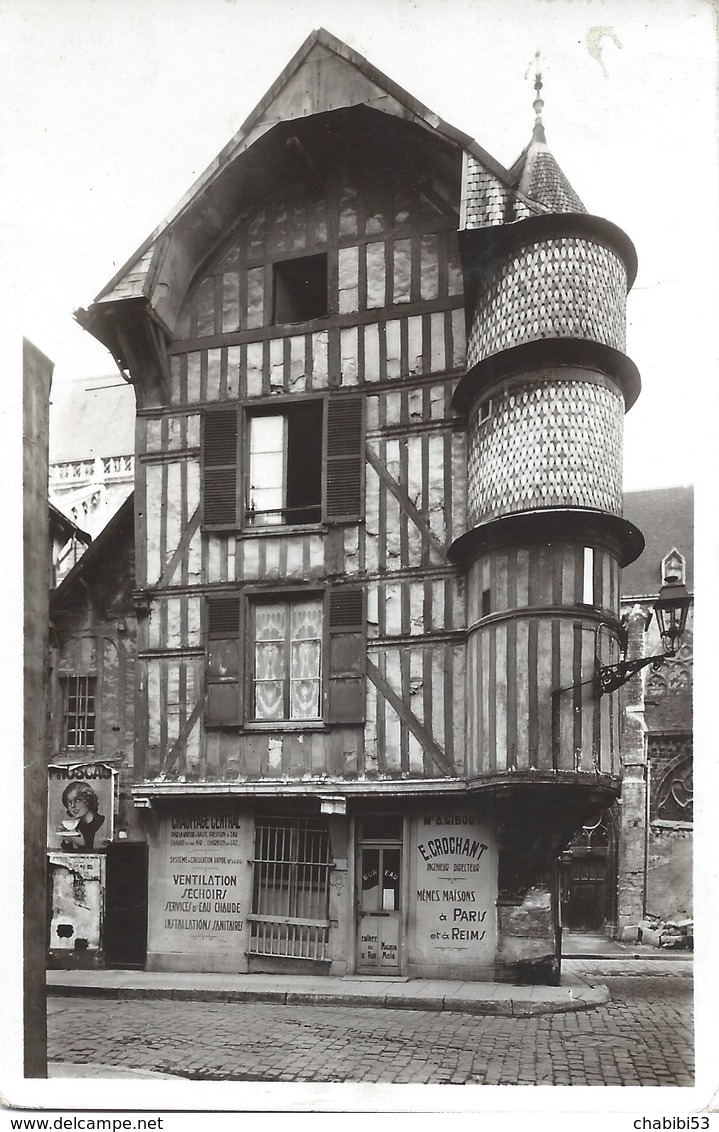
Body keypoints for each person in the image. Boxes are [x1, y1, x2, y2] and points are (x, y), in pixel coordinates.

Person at [60, 781, 106, 850]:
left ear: (88, 800)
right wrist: (67, 840)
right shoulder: (75, 827)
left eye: (78, 800)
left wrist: (82, 843)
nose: (73, 806)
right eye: (69, 802)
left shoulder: (102, 823)